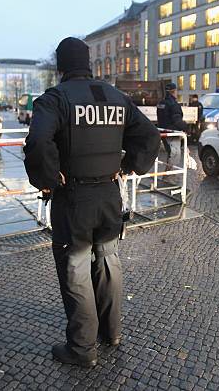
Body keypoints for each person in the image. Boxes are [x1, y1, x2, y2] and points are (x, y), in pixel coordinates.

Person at [23, 37, 160, 368]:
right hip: (110, 194)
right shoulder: (115, 97)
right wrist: (129, 166)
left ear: (60, 67)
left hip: (75, 198)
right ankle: (111, 332)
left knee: (77, 268)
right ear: (90, 64)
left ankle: (83, 348)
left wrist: (49, 180)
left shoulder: (54, 99)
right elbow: (150, 137)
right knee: (108, 260)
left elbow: (38, 142)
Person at [157, 83, 187, 159]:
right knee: (174, 157)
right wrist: (186, 128)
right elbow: (177, 121)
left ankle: (168, 169)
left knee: (170, 154)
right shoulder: (174, 104)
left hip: (163, 131)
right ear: (174, 91)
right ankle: (169, 170)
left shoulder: (161, 103)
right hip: (172, 133)